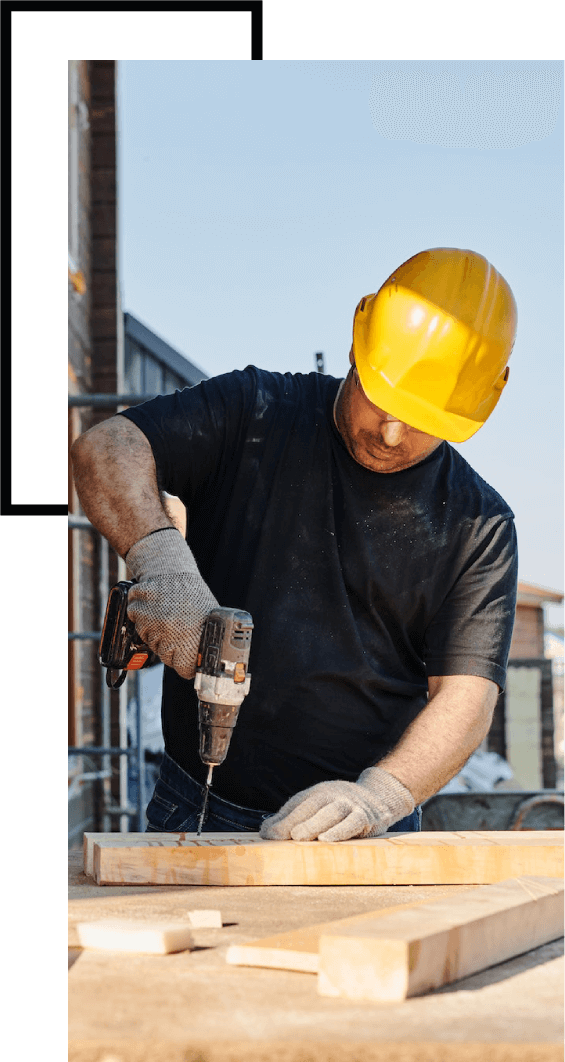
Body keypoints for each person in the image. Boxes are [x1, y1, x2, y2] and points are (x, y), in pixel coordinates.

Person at [71, 247, 519, 842]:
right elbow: (106, 448)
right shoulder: (254, 412)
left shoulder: (479, 524)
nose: (391, 432)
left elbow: (466, 700)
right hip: (199, 804)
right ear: (357, 349)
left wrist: (379, 796)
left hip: (362, 828)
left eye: (421, 417)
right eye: (382, 398)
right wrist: (159, 560)